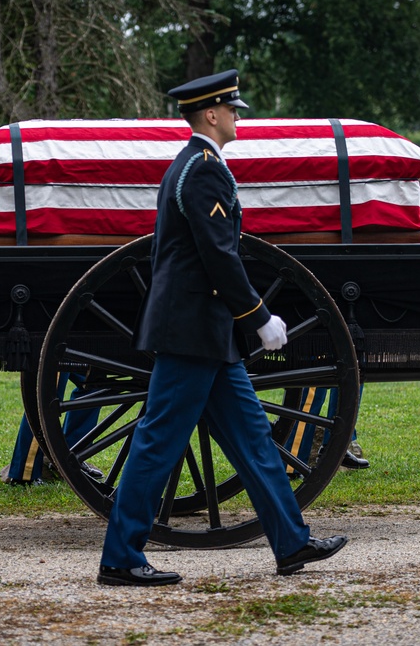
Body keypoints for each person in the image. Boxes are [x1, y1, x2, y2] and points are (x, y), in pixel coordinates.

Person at [97, 70, 347, 587]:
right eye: (232, 110)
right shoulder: (203, 169)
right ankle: (120, 558)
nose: (238, 117)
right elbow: (219, 256)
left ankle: (291, 541)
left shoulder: (197, 166)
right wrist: (259, 316)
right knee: (158, 442)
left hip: (208, 334)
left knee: (254, 438)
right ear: (211, 114)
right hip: (193, 332)